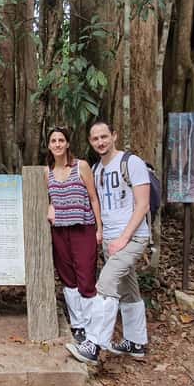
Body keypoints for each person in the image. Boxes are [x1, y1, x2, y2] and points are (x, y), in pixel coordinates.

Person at [66, 120, 150, 365]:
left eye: (104, 136)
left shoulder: (131, 163)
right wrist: (101, 233)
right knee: (128, 290)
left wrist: (123, 239)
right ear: (91, 142)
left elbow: (142, 205)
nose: (100, 142)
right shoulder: (96, 169)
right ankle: (136, 342)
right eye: (95, 139)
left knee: (107, 283)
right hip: (110, 238)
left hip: (132, 237)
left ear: (114, 135)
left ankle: (93, 344)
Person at [45, 126, 103, 344]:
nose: (58, 144)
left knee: (86, 275)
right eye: (53, 141)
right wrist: (50, 205)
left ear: (68, 143)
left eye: (61, 140)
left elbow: (94, 198)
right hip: (60, 230)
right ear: (49, 145)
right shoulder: (47, 171)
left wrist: (100, 228)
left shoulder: (82, 166)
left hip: (83, 227)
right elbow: (48, 198)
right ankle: (78, 324)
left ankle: (91, 326)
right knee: (68, 277)